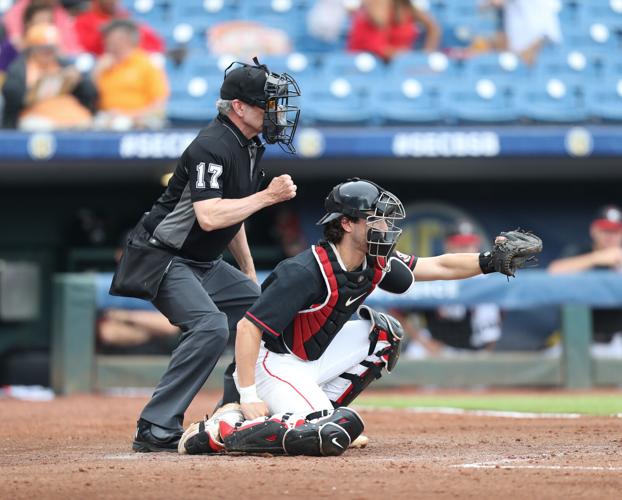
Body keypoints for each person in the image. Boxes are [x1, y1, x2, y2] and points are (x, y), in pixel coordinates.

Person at [178, 178, 541, 457]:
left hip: (311, 361)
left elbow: (438, 264)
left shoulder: (375, 260)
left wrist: (490, 261)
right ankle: (221, 430)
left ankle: (313, 410)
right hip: (273, 364)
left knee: (383, 333)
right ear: (348, 224)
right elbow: (247, 328)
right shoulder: (305, 270)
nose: (385, 226)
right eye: (376, 219)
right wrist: (247, 392)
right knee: (334, 434)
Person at [109, 57, 302, 453]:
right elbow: (211, 216)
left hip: (203, 262)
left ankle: (231, 409)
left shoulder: (249, 146)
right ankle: (154, 425)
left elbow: (235, 215)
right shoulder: (212, 145)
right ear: (239, 108)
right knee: (210, 327)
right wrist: (267, 197)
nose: (276, 112)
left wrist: (248, 271)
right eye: (268, 103)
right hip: (162, 257)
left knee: (265, 310)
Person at [396, 220, 502, 358]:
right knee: (414, 356)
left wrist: (483, 356)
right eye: (461, 244)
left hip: (472, 350)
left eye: (470, 243)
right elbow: (397, 310)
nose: (467, 248)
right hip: (436, 343)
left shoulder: (487, 282)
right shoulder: (434, 273)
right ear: (448, 245)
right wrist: (424, 342)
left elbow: (492, 332)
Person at [548, 205, 622, 356]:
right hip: (577, 340)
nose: (610, 236)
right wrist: (597, 258)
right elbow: (553, 272)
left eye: (615, 231)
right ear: (593, 230)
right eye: (605, 230)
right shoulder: (580, 252)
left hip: (615, 341)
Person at [2, 23, 97, 129]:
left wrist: (79, 81)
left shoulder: (64, 65)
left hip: (69, 113)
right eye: (42, 49)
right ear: (32, 49)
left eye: (51, 49)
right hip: (36, 114)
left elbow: (89, 93)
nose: (47, 53)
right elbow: (11, 96)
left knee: (88, 124)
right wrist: (35, 89)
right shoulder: (20, 68)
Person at [92, 19, 167, 130]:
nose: (105, 40)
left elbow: (159, 107)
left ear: (124, 39)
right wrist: (97, 72)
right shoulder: (104, 65)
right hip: (106, 118)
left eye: (109, 36)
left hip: (138, 121)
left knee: (120, 124)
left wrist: (128, 115)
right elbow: (91, 100)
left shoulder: (146, 65)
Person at [347, 0, 441, 62]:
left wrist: (425, 55)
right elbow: (379, 49)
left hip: (399, 65)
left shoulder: (406, 7)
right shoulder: (367, 15)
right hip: (367, 65)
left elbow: (433, 28)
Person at [75, 0, 164, 56]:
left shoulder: (125, 18)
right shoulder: (84, 21)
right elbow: (88, 49)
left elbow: (155, 44)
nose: (113, 2)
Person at [3, 0, 83, 55]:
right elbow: (17, 40)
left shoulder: (59, 12)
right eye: (41, 21)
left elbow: (72, 47)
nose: (45, 24)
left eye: (49, 21)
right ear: (29, 24)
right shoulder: (19, 11)